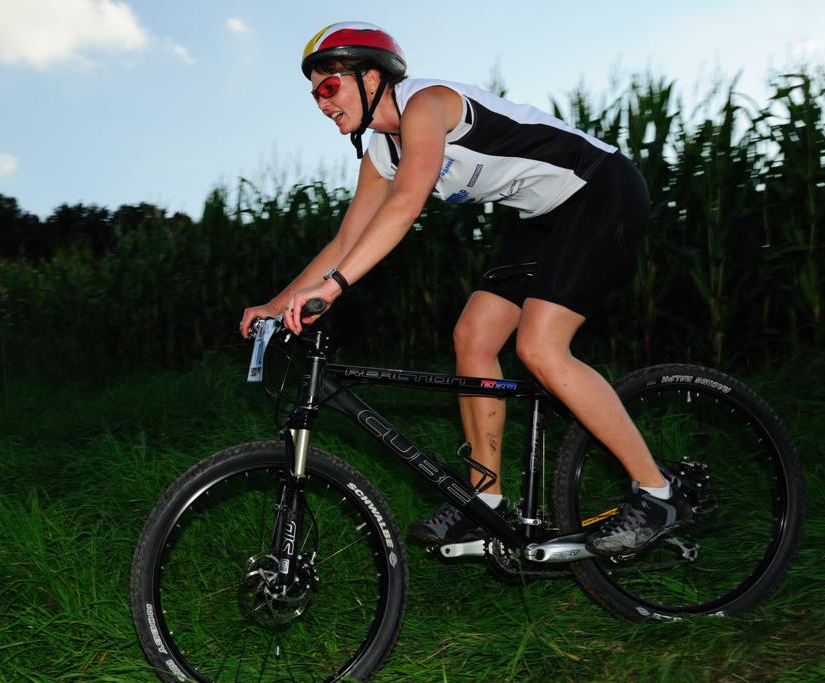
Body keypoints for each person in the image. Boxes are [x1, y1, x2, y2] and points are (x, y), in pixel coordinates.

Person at [239, 21, 691, 556]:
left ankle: (657, 494)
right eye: (314, 93)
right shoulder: (381, 153)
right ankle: (486, 501)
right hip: (544, 217)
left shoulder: (426, 105)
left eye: (330, 86)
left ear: (371, 77)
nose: (321, 103)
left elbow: (407, 204)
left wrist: (334, 287)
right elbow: (346, 239)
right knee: (473, 338)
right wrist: (276, 304)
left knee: (540, 347)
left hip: (599, 188)